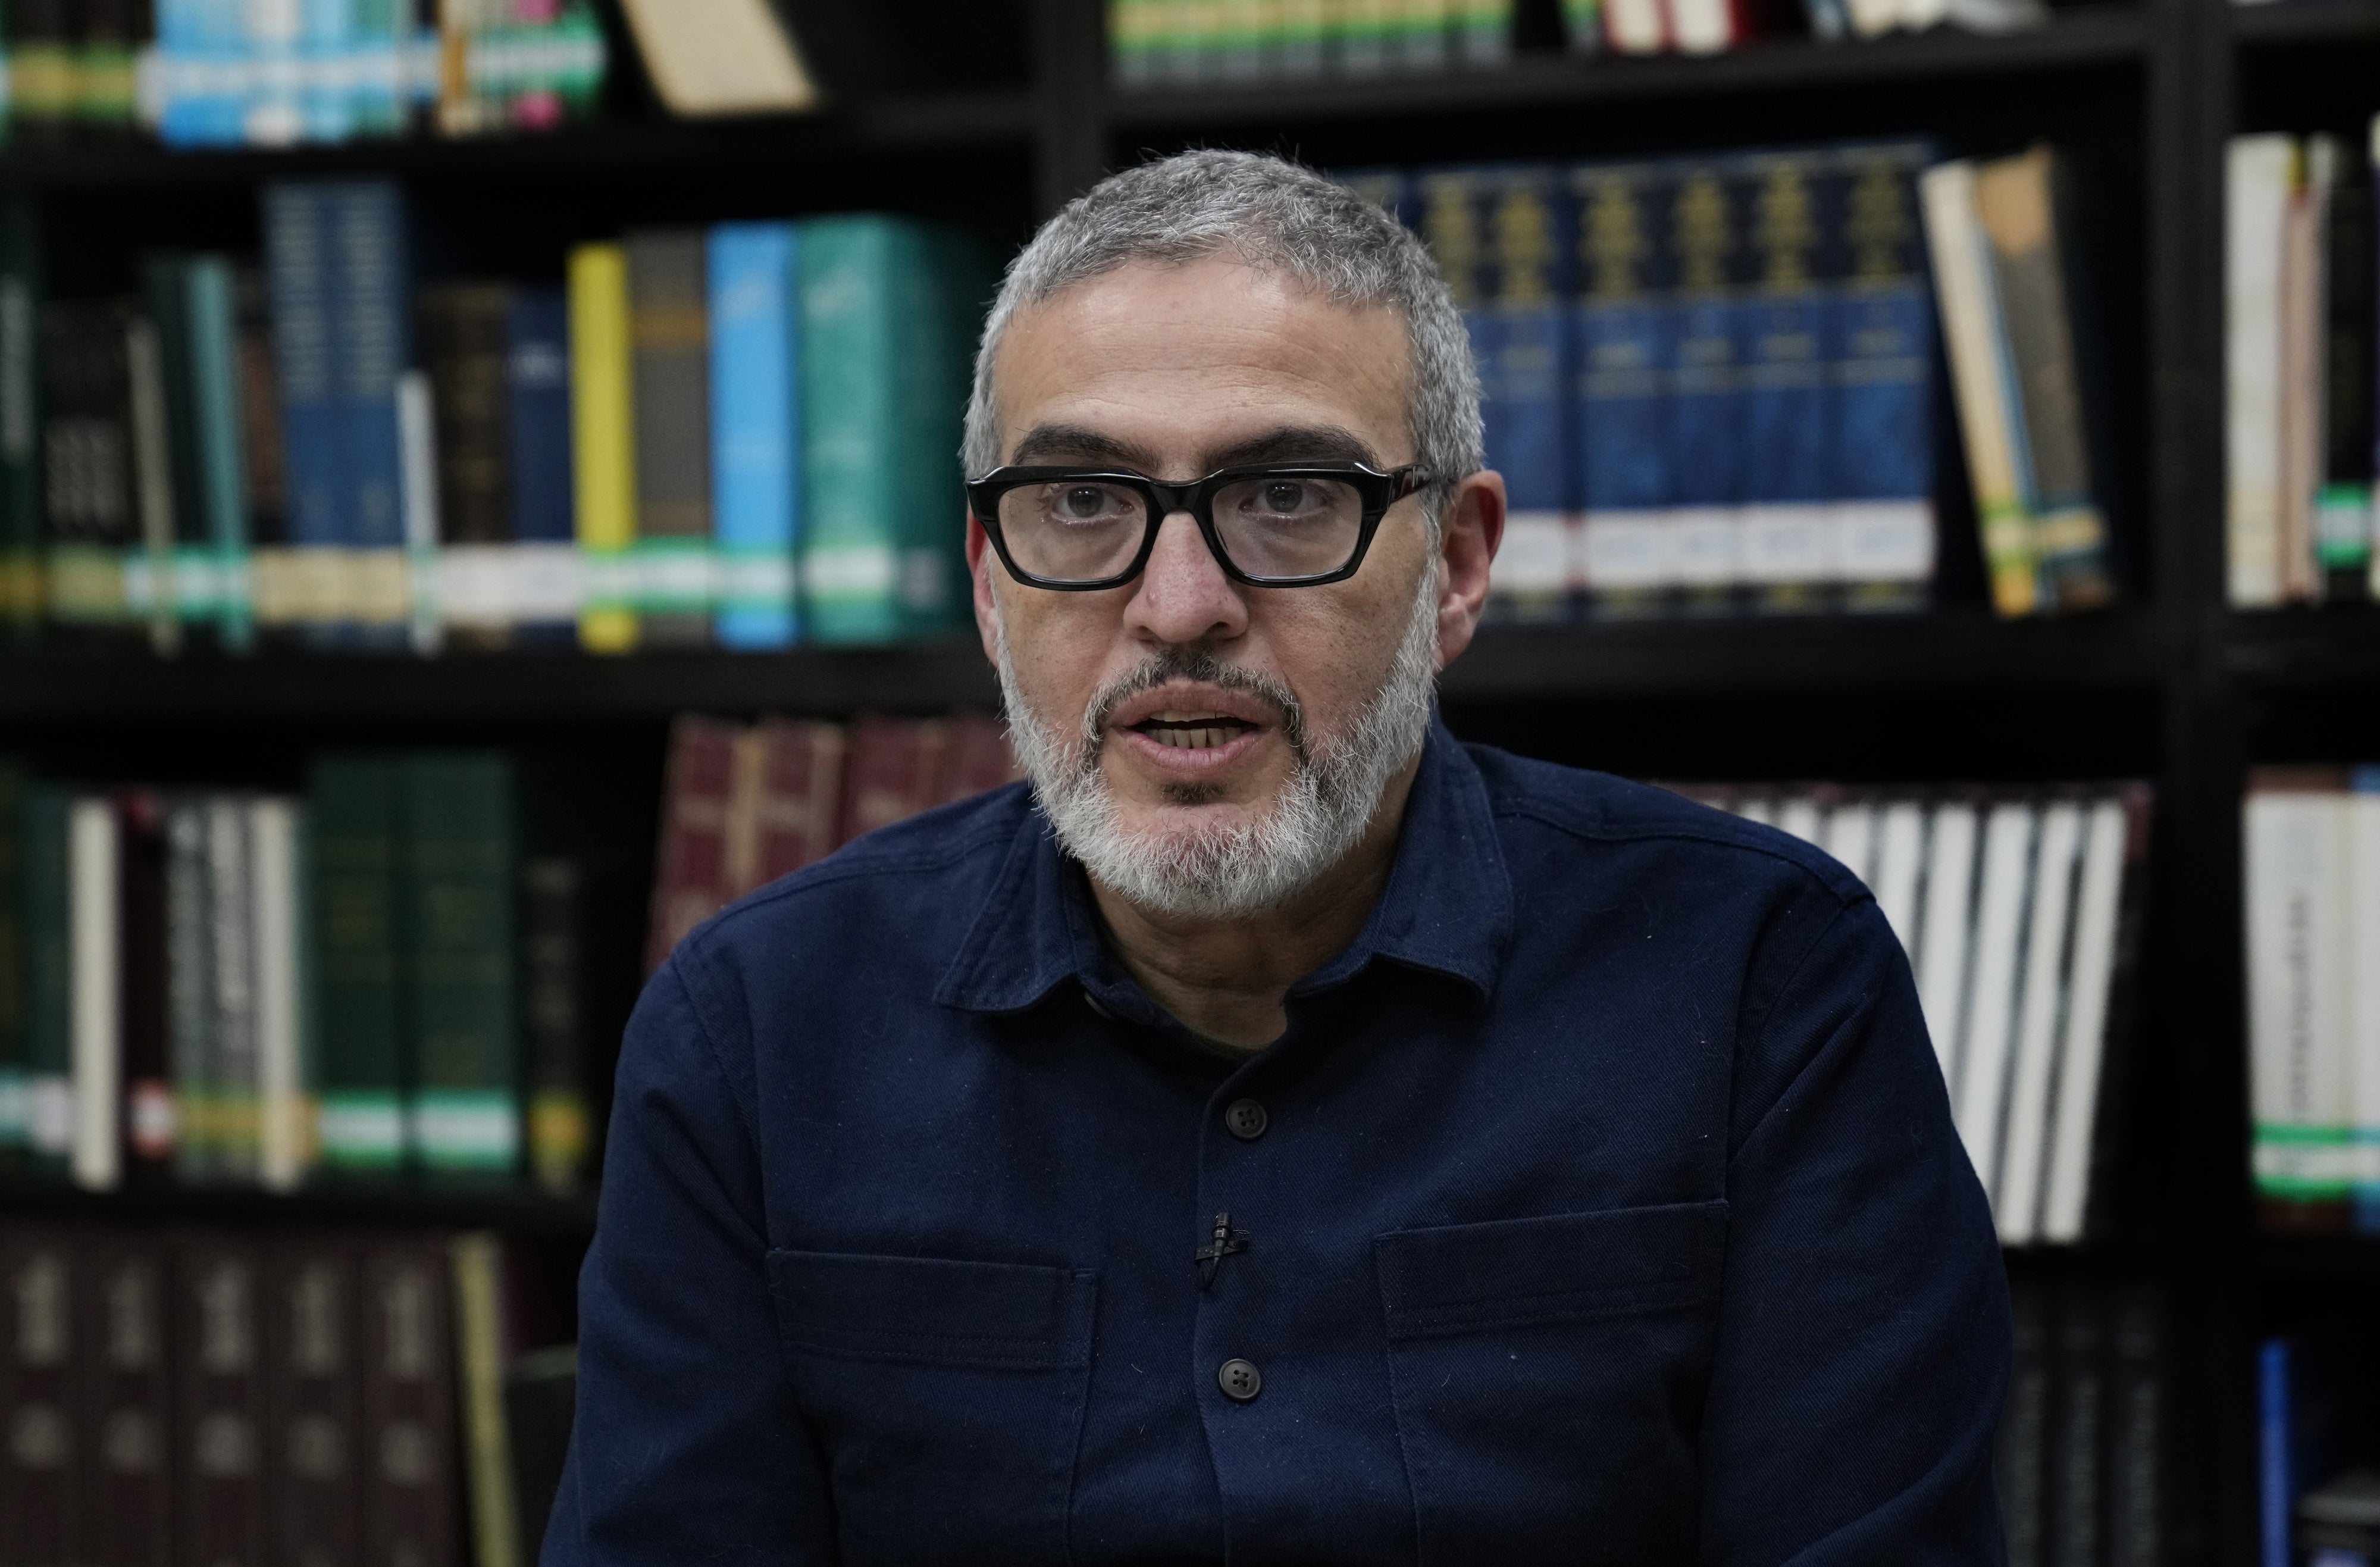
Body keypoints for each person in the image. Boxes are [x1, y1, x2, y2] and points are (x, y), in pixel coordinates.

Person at [545, 149, 2009, 1565]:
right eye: (1080, 502)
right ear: (990, 583)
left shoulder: (1761, 980)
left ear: (1455, 564)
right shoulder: (758, 1030)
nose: (1178, 606)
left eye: (1287, 497)